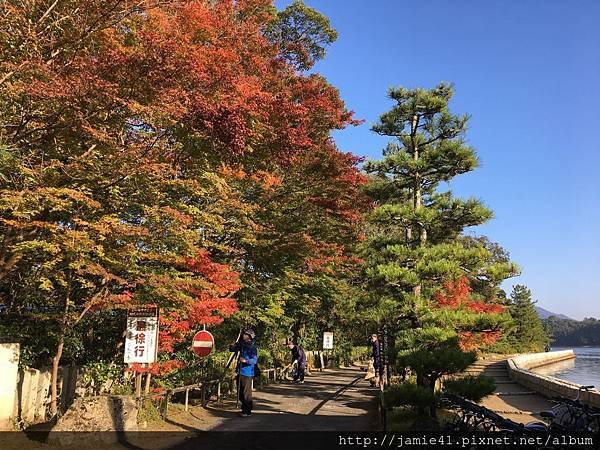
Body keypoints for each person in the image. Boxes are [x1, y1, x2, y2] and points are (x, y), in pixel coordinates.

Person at [229, 329, 257, 417]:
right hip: (240, 371)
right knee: (239, 392)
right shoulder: (242, 344)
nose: (243, 335)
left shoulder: (253, 347)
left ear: (249, 336)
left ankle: (247, 411)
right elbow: (232, 349)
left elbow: (254, 360)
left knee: (246, 393)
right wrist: (233, 345)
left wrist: (246, 360)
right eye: (244, 334)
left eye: (245, 334)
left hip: (247, 372)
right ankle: (244, 409)